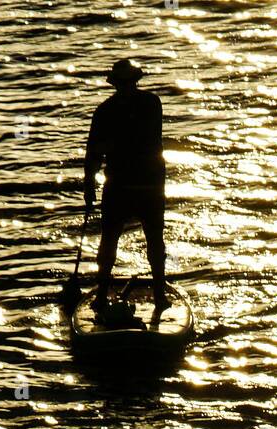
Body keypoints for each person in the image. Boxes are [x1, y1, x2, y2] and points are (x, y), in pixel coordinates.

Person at [84, 58, 168, 313]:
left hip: (123, 185)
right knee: (154, 240)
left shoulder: (106, 110)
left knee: (110, 239)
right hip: (149, 184)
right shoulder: (152, 103)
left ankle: (100, 297)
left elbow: (94, 153)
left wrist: (89, 185)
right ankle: (160, 295)